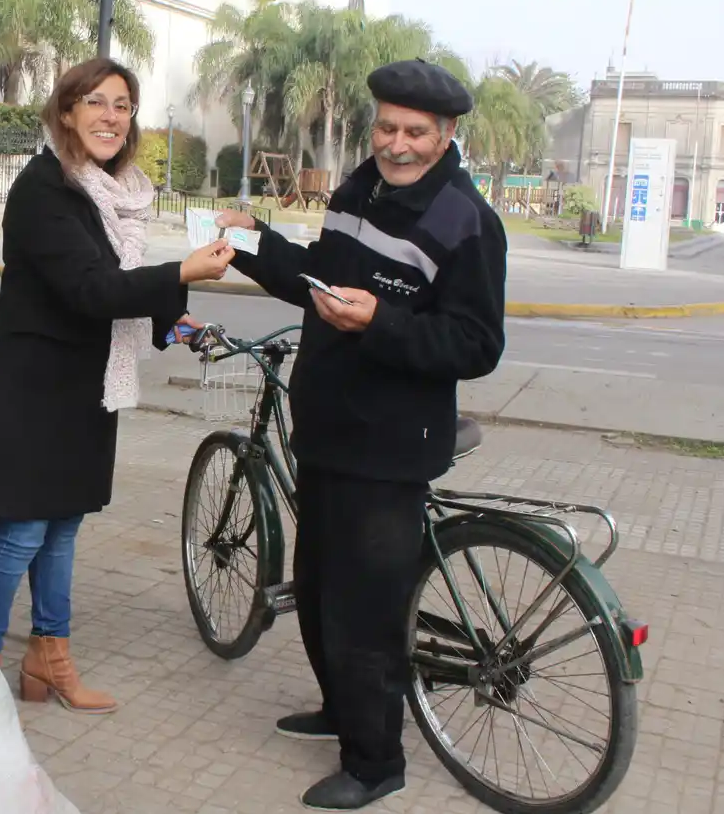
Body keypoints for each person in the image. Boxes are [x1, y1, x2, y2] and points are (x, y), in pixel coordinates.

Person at [217, 59, 507, 811]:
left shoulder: (468, 223)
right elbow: (319, 276)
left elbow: (476, 345)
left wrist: (381, 323)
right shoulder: (357, 189)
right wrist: (255, 243)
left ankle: (377, 762)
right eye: (387, 126)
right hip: (327, 429)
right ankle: (342, 711)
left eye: (416, 132)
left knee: (364, 611)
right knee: (316, 593)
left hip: (388, 447)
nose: (397, 143)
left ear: (446, 138)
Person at [0, 57, 234, 715]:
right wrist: (182, 271)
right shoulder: (44, 190)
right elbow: (89, 289)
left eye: (124, 106)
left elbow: (120, 274)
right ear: (67, 111)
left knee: (64, 528)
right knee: (21, 529)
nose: (112, 117)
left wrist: (178, 320)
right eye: (98, 103)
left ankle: (49, 659)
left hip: (83, 387)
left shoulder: (116, 192)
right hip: (28, 388)